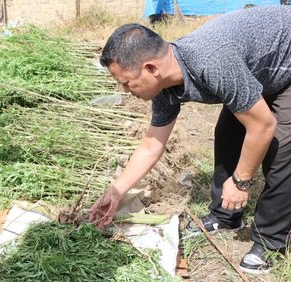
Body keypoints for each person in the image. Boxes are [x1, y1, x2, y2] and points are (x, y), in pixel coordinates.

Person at [88, 5, 291, 275]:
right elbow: (152, 144)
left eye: (126, 82)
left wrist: (242, 181)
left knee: (281, 148)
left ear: (150, 68)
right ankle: (226, 216)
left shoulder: (212, 61)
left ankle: (270, 240)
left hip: (286, 62)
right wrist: (116, 191)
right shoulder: (164, 87)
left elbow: (263, 126)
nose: (124, 91)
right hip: (257, 66)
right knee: (228, 134)